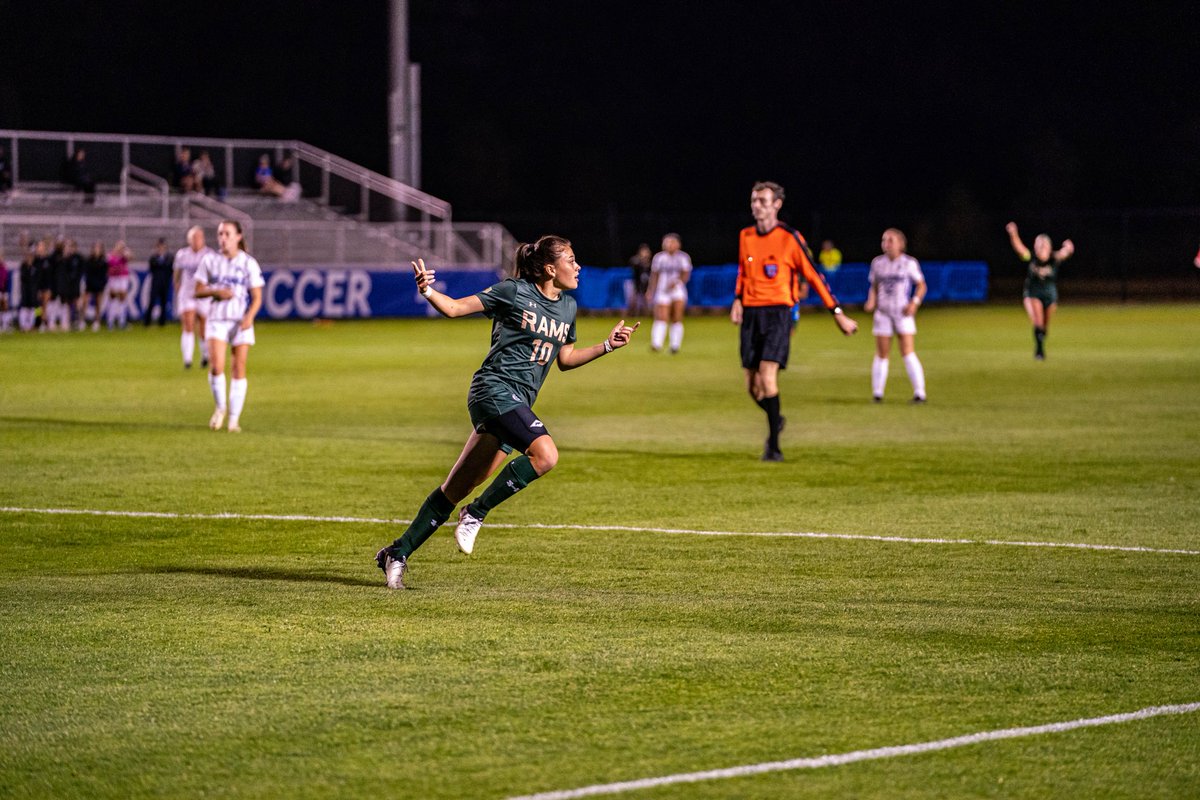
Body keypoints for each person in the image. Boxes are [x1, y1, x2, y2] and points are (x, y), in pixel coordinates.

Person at [373, 236, 640, 590]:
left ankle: (398, 551)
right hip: (492, 391)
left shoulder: (568, 308)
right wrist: (428, 291)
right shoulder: (513, 292)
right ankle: (476, 513)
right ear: (549, 268)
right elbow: (454, 308)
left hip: (517, 404)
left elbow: (565, 360)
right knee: (545, 455)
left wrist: (606, 346)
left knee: (456, 487)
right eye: (571, 260)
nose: (578, 267)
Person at [731, 181, 858, 461]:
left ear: (777, 204)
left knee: (767, 375)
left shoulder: (790, 237)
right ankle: (776, 419)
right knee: (752, 386)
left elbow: (814, 276)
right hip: (751, 314)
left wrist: (837, 313)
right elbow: (743, 271)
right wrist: (738, 299)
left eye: (763, 200)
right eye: (754, 200)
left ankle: (773, 447)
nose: (757, 206)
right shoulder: (746, 236)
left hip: (779, 313)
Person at [194, 220, 264, 433]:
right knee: (216, 366)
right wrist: (216, 292)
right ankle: (220, 407)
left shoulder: (248, 263)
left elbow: (257, 296)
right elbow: (197, 290)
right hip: (217, 319)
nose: (222, 238)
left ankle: (234, 419)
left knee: (238, 368)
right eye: (220, 234)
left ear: (238, 236)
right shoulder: (210, 260)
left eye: (227, 234)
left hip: (240, 321)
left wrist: (250, 316)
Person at [863, 229, 927, 403]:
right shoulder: (877, 263)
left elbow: (921, 285)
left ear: (901, 244)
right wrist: (871, 301)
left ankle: (920, 393)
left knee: (907, 352)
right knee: (882, 353)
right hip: (883, 313)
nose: (886, 243)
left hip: (902, 313)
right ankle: (877, 393)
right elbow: (874, 286)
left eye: (891, 240)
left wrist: (914, 303)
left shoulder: (908, 263)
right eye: (884, 240)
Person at [1006, 221, 1074, 360]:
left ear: (1049, 247)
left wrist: (1069, 248)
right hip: (1033, 293)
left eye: (1044, 244)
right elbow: (1020, 249)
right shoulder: (1031, 258)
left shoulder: (1055, 258)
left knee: (1044, 327)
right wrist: (1013, 233)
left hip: (1050, 294)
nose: (1042, 247)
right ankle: (1039, 351)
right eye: (1039, 244)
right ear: (1035, 247)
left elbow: (1065, 252)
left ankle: (1040, 343)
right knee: (1038, 322)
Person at [174, 226, 215, 368]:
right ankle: (187, 359)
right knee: (188, 324)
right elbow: (177, 273)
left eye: (198, 238)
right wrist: (177, 287)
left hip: (203, 294)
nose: (196, 241)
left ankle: (205, 354)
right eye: (193, 238)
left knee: (204, 326)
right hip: (187, 293)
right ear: (189, 240)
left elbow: (215, 276)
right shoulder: (182, 254)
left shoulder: (210, 255)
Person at [646, 233, 691, 353]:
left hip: (678, 291)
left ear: (678, 244)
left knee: (677, 317)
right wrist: (651, 290)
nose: (669, 245)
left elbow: (686, 274)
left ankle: (674, 346)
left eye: (672, 242)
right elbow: (654, 275)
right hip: (663, 291)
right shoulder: (659, 257)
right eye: (667, 242)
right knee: (661, 317)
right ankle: (657, 344)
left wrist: (677, 282)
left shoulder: (683, 257)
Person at [55, 239, 84, 331]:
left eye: (71, 246)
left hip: (75, 283)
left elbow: (82, 269)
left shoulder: (78, 258)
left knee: (76, 302)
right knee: (66, 302)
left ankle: (78, 320)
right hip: (65, 284)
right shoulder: (62, 258)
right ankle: (66, 321)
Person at [145, 238, 174, 326]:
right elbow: (152, 268)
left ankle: (162, 322)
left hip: (165, 283)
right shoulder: (153, 257)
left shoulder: (169, 257)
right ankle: (147, 321)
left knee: (163, 302)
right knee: (152, 301)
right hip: (156, 283)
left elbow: (170, 268)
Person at [81, 241, 108, 332]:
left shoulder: (103, 261)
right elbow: (86, 272)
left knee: (98, 303)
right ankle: (82, 321)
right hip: (90, 283)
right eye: (95, 248)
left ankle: (97, 321)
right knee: (85, 302)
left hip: (99, 284)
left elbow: (105, 274)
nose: (96, 250)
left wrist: (103, 284)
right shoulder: (89, 260)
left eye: (98, 248)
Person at [105, 241, 132, 329]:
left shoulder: (124, 256)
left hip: (122, 278)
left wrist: (126, 252)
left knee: (122, 298)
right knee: (113, 298)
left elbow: (130, 257)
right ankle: (110, 321)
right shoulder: (111, 256)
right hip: (114, 278)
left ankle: (122, 321)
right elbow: (109, 266)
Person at [625, 243, 653, 317]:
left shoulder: (651, 263)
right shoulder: (636, 261)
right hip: (634, 283)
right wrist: (642, 261)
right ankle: (631, 315)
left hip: (646, 284)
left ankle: (647, 315)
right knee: (632, 301)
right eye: (643, 252)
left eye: (647, 252)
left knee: (647, 301)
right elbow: (633, 263)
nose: (645, 254)